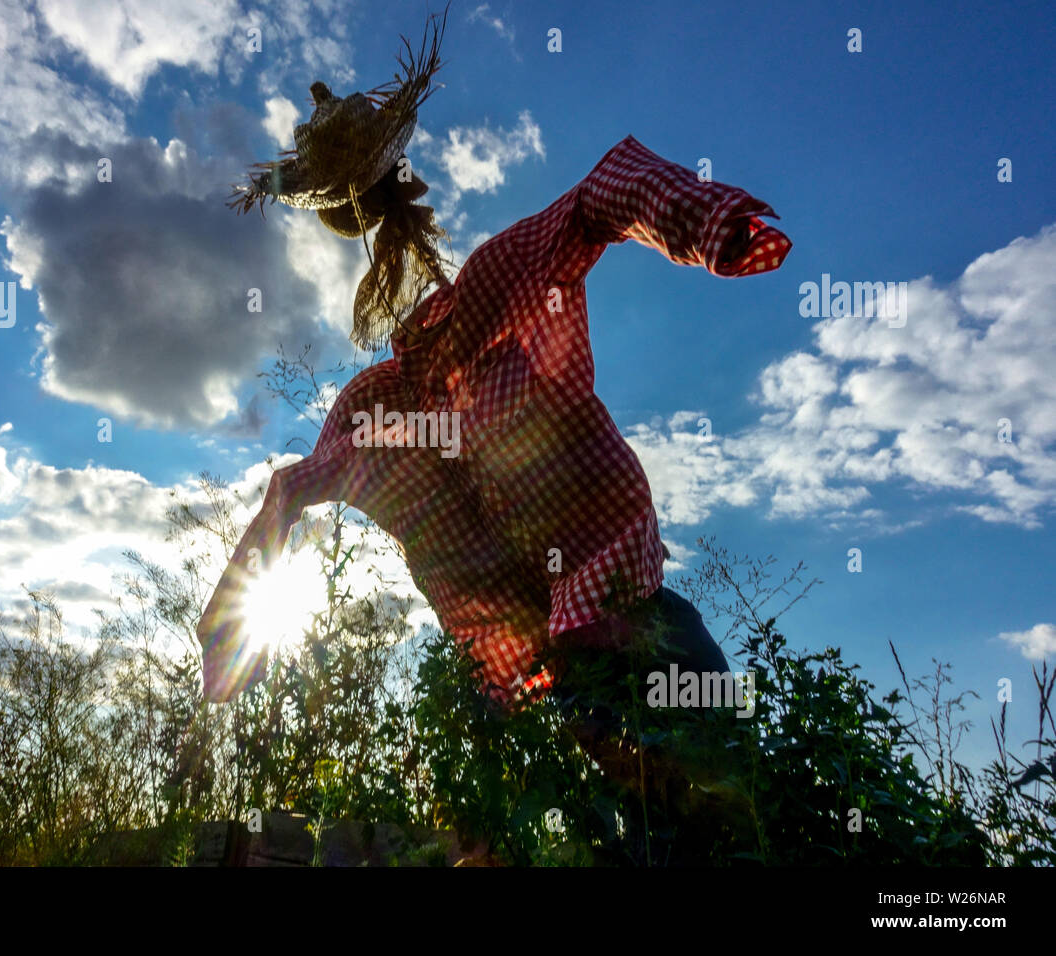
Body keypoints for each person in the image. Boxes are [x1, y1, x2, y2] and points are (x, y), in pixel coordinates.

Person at [198, 134, 791, 734]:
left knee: (728, 759)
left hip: (621, 601)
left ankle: (722, 796)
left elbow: (592, 204)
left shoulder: (494, 288)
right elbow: (292, 487)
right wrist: (230, 631)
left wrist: (704, 222)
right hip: (571, 648)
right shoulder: (378, 404)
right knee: (677, 779)